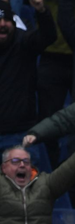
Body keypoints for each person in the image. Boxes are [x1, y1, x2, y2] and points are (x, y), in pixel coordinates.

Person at [0, 0, 56, 164]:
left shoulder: (24, 43)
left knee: (28, 188)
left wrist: (41, 10)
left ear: (13, 22)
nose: (2, 24)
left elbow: (48, 36)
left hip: (20, 135)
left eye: (7, 20)